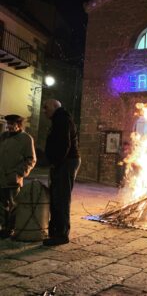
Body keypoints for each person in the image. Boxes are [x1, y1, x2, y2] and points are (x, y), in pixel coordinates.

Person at [42, 99, 80, 246]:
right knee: (56, 196)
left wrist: (55, 162)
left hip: (66, 162)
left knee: (61, 198)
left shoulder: (62, 119)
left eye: (46, 107)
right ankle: (56, 230)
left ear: (54, 106)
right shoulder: (59, 119)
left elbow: (64, 143)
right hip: (63, 162)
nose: (44, 110)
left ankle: (61, 234)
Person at [0, 114, 36, 238]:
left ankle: (11, 228)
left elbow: (31, 159)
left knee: (14, 205)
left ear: (19, 125)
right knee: (1, 205)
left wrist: (19, 173)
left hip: (12, 178)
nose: (9, 126)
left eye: (12, 124)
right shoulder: (3, 136)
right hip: (0, 177)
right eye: (7, 124)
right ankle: (3, 227)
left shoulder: (26, 139)